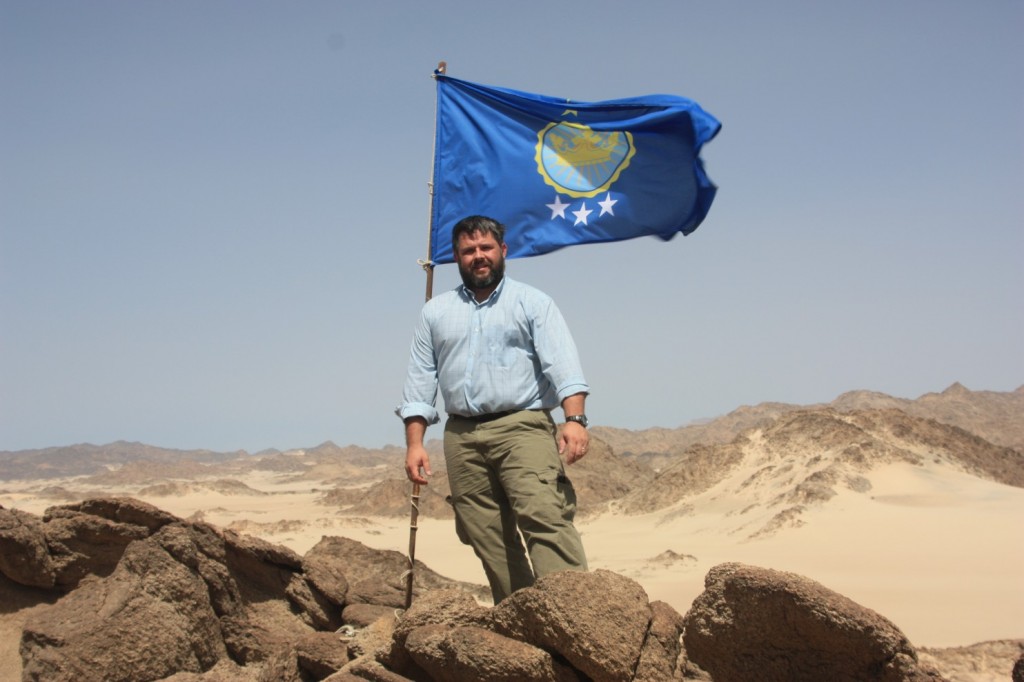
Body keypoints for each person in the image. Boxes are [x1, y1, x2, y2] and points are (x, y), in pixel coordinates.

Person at [396, 214, 590, 603]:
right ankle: (520, 615)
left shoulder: (532, 302)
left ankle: (573, 614)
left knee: (544, 517)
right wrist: (415, 444)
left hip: (522, 427)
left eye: (486, 247)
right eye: (469, 250)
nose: (479, 256)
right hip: (462, 435)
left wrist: (574, 419)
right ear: (456, 256)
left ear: (503, 250)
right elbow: (420, 380)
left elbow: (564, 366)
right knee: (485, 532)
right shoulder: (435, 312)